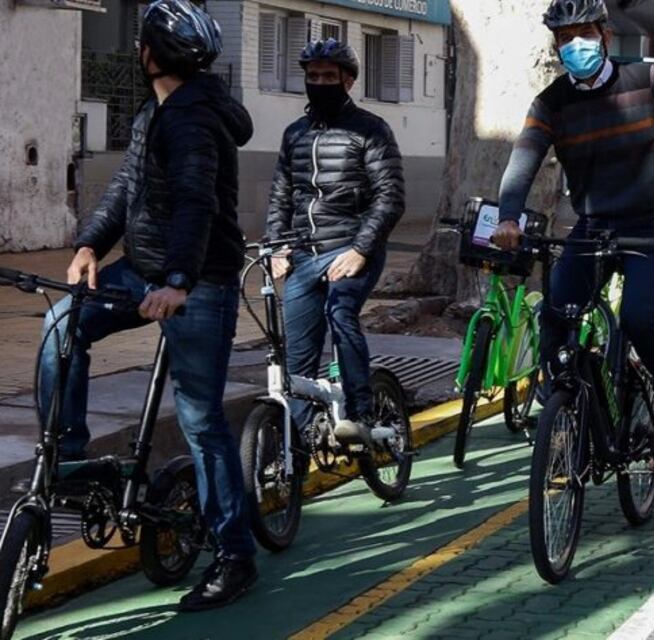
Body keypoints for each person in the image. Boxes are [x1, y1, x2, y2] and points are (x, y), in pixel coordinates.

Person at [41, 0, 258, 610]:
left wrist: (181, 280)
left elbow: (196, 203)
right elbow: (126, 186)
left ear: (149, 54)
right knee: (64, 322)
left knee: (200, 421)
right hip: (143, 272)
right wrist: (89, 244)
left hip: (198, 285)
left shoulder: (191, 120)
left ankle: (235, 555)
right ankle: (69, 459)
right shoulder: (155, 110)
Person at [491, 0, 654, 463]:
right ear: (555, 45)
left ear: (606, 36)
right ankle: (564, 409)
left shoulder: (648, 79)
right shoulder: (551, 103)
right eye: (565, 37)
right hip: (594, 226)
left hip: (651, 224)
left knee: (638, 318)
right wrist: (508, 217)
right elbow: (523, 161)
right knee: (555, 314)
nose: (576, 44)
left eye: (585, 34)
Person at [264, 38, 404, 446]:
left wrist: (361, 250)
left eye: (328, 76)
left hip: (352, 249)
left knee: (341, 315)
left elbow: (390, 197)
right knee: (295, 355)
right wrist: (276, 246)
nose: (319, 83)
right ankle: (304, 439)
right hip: (303, 254)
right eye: (312, 76)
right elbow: (280, 195)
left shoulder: (372, 130)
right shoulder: (294, 135)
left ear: (348, 80)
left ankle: (359, 414)